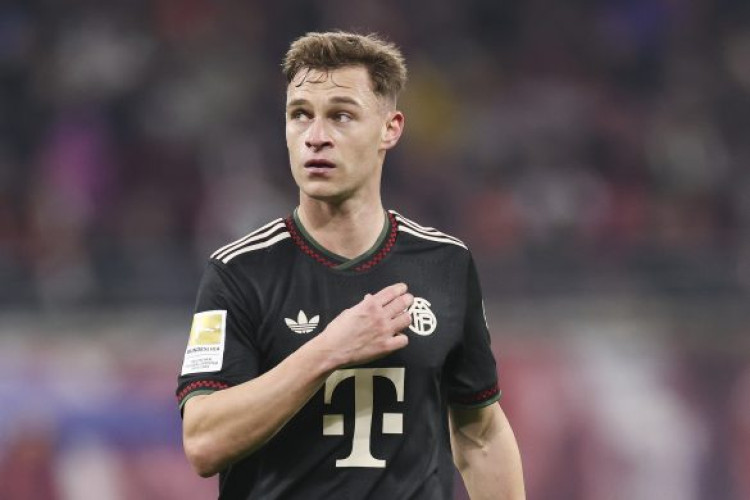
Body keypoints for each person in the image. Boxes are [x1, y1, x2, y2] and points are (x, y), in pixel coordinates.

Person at [176, 31, 525, 499]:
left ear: (390, 129)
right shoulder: (239, 271)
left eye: (341, 115)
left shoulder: (445, 263)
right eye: (300, 115)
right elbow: (203, 443)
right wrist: (329, 350)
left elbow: (479, 433)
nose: (316, 137)